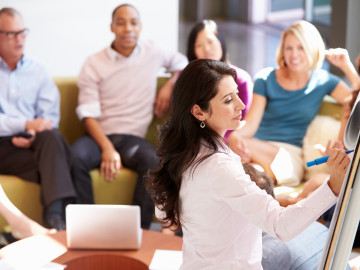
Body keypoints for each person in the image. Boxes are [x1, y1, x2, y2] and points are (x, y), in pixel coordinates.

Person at [146, 59, 350, 269]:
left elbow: (165, 212)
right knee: (320, 244)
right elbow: (281, 226)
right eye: (228, 100)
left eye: (236, 94)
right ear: (199, 112)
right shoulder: (219, 167)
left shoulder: (182, 154)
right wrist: (333, 185)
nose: (241, 104)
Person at [71, 4, 187, 229]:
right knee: (75, 157)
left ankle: (136, 229)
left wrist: (170, 84)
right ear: (112, 27)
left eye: (133, 22)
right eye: (121, 22)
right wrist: (107, 148)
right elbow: (88, 114)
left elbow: (182, 63)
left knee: (154, 161)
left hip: (132, 138)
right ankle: (85, 228)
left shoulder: (153, 51)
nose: (128, 28)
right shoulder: (93, 63)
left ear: (140, 26)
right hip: (98, 136)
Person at [227, 20, 359, 187]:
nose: (294, 54)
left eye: (301, 48)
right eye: (289, 48)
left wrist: (347, 67)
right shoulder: (265, 78)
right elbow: (251, 124)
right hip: (256, 148)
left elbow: (356, 99)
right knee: (252, 178)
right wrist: (236, 137)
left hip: (289, 156)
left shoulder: (324, 81)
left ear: (312, 49)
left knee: (231, 158)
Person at [0, 7, 76, 231]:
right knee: (59, 161)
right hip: (2, 148)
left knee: (52, 139)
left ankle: (53, 219)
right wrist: (25, 124)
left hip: (32, 146)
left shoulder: (39, 72)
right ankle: (62, 221)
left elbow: (49, 118)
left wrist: (32, 134)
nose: (19, 39)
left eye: (22, 32)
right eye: (11, 34)